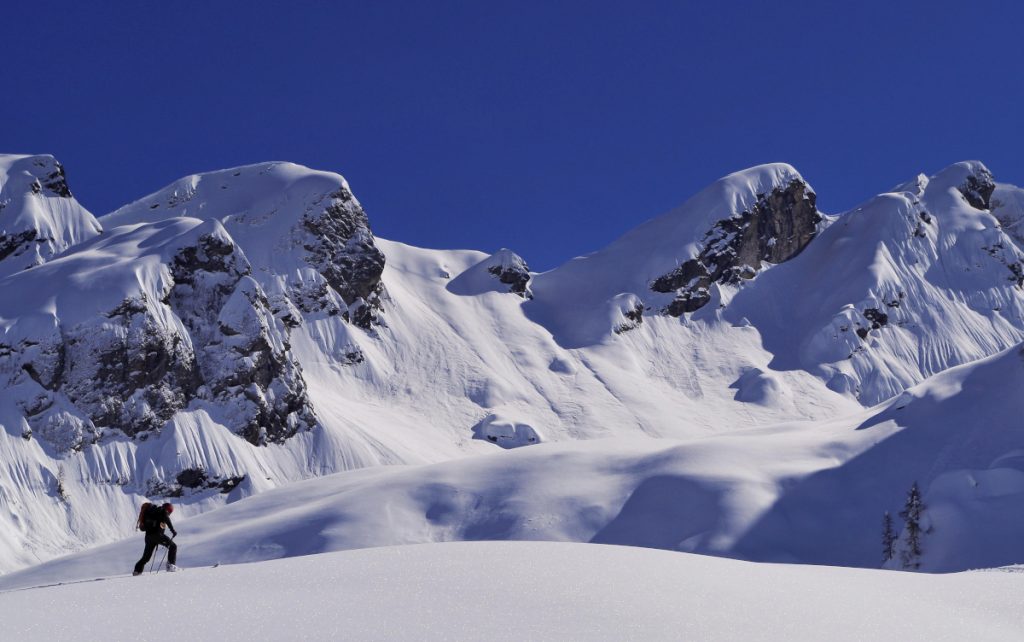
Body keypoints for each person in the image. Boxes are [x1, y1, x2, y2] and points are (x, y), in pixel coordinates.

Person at [133, 502, 179, 575]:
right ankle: (171, 566)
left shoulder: (154, 512)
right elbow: (167, 519)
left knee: (146, 557)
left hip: (148, 537)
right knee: (173, 546)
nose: (169, 514)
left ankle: (137, 571)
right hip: (157, 535)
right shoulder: (163, 511)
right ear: (169, 510)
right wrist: (173, 530)